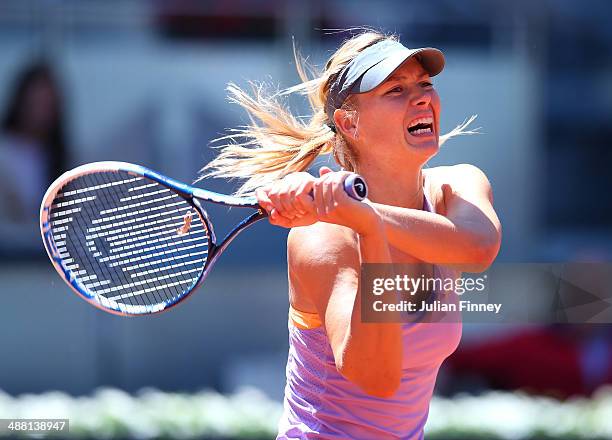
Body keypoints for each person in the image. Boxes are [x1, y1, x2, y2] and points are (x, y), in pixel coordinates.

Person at [202, 30, 501, 439]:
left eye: (425, 84)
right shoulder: (322, 237)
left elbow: (478, 248)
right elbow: (376, 376)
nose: (422, 98)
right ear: (349, 123)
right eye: (395, 89)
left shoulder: (457, 186)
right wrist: (365, 229)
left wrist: (366, 215)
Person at [0, 60, 67, 225]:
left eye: (47, 104)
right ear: (20, 102)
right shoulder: (4, 152)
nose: (41, 112)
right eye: (35, 103)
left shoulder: (59, 156)